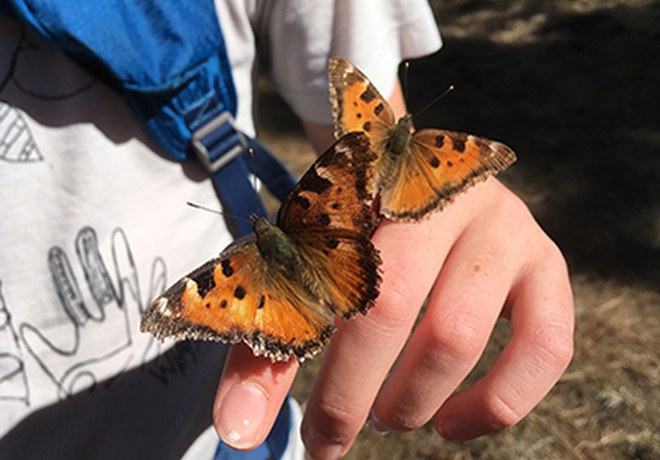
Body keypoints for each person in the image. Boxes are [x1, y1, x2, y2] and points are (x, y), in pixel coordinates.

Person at [0, 1, 574, 460]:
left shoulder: (237, 268)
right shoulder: (305, 209)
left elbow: (365, 153)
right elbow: (355, 161)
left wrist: (454, 217)